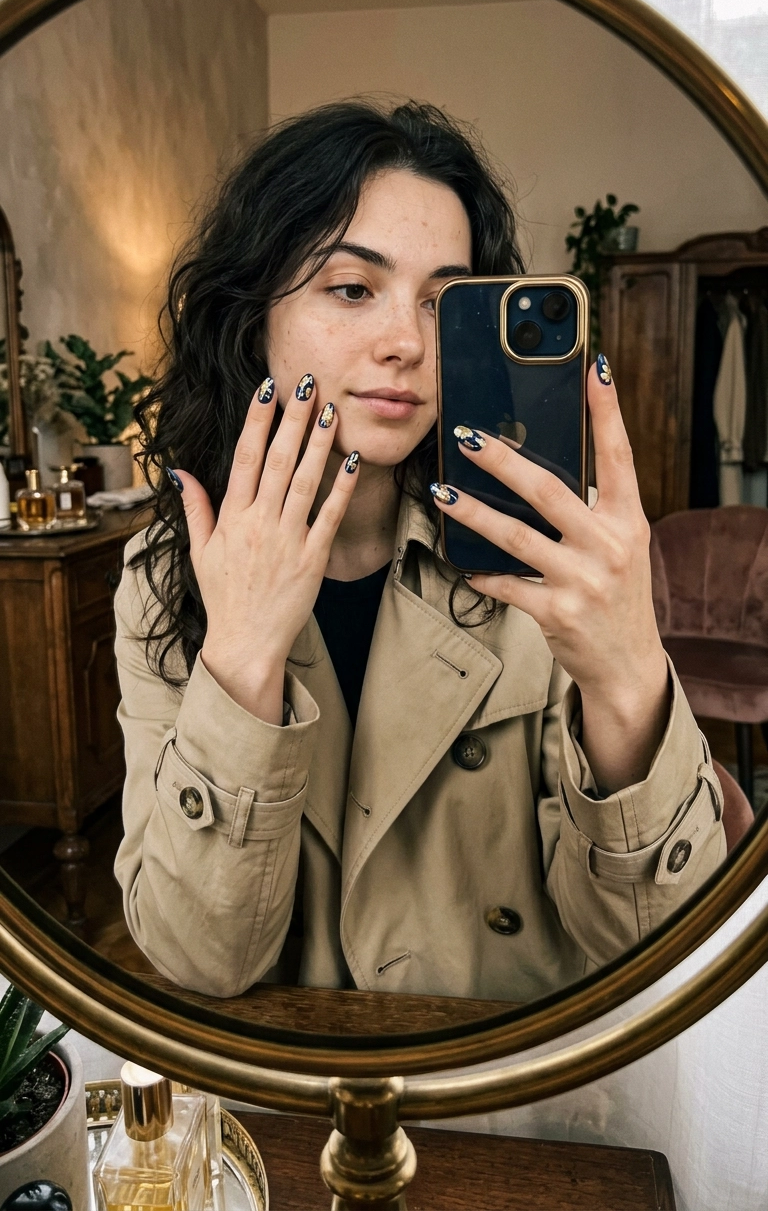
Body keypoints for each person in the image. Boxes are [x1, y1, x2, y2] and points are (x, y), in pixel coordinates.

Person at [114, 100, 726, 1001]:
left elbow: (654, 950)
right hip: (293, 1099)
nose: (407, 343)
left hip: (525, 1090)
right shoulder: (167, 579)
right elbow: (201, 959)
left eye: (444, 303)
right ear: (254, 319)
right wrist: (240, 658)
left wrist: (630, 680)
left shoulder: (543, 564)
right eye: (352, 288)